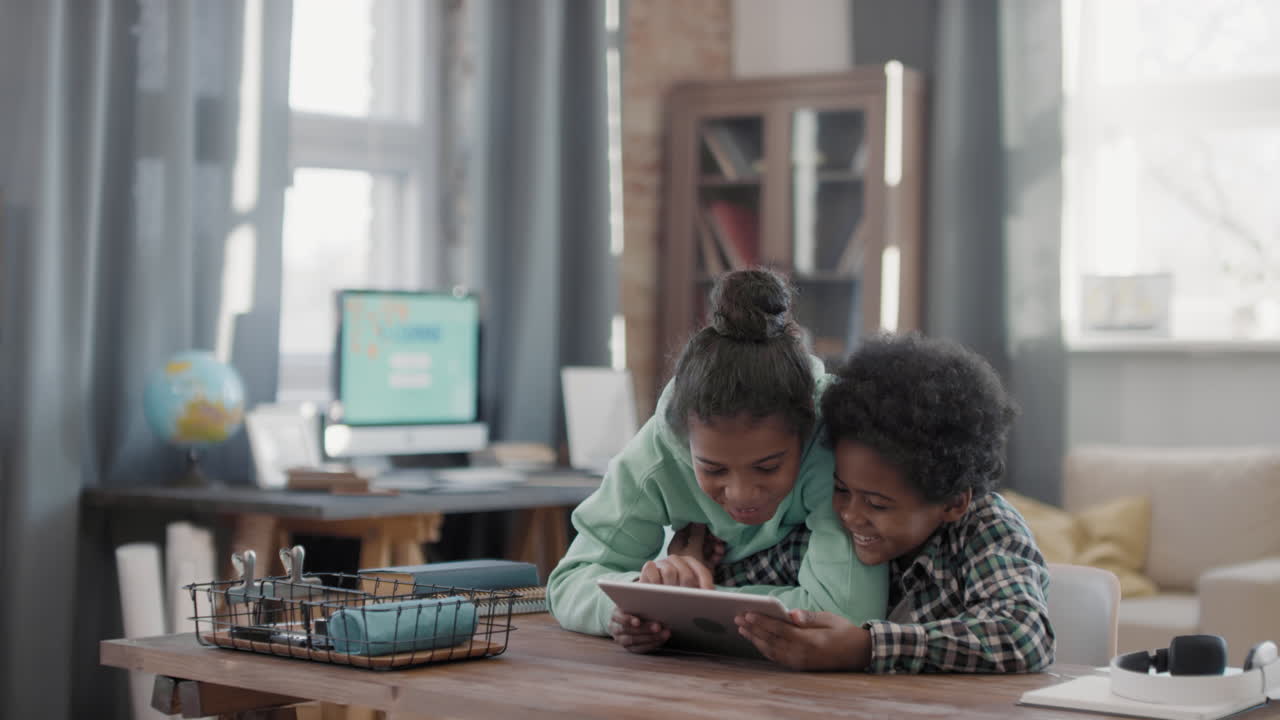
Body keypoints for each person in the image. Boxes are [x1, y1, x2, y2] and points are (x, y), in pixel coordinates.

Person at [546, 269, 887, 652]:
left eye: (768, 466)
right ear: (683, 437)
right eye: (712, 469)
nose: (741, 494)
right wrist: (628, 607)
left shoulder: (836, 444)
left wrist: (685, 604)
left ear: (804, 430)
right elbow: (569, 581)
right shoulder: (656, 454)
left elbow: (844, 614)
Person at [710, 332, 1053, 673]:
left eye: (878, 504)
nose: (850, 515)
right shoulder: (831, 528)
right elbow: (733, 577)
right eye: (841, 488)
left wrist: (867, 648)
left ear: (952, 503)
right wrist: (691, 565)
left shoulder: (986, 527)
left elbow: (1023, 636)